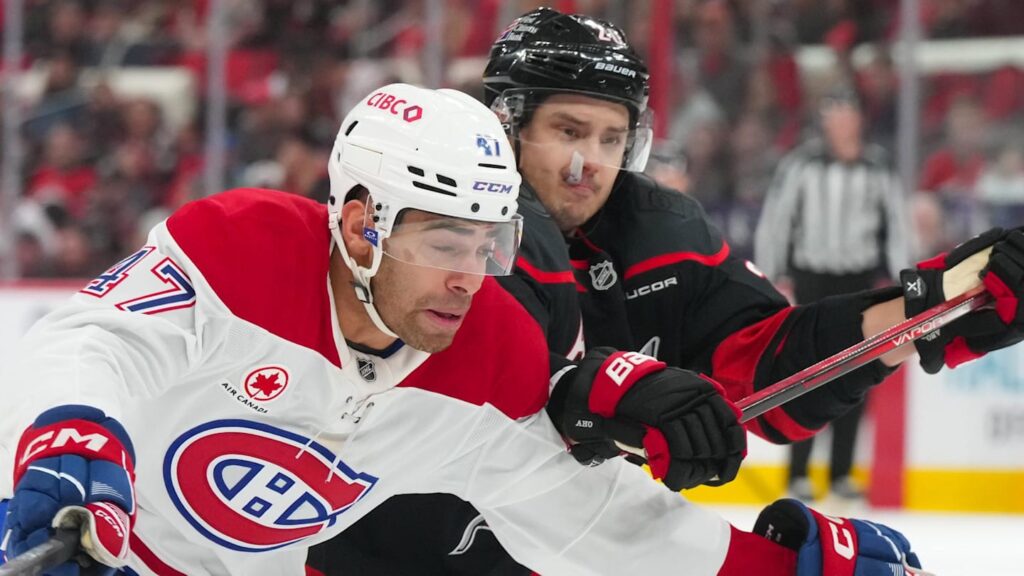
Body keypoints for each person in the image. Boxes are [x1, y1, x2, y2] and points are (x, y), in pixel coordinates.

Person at [0, 83, 924, 576]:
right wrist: (72, 452)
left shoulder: (489, 357)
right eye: (444, 238)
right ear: (362, 223)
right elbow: (89, 342)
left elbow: (597, 525)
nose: (470, 276)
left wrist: (777, 571)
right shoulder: (242, 251)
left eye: (489, 242)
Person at [310, 8, 1024, 576]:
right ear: (507, 122)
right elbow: (494, 385)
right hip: (354, 550)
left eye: (612, 138)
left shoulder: (659, 229)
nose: (589, 163)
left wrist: (932, 308)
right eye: (567, 130)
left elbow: (767, 362)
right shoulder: (446, 223)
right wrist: (611, 391)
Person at [754, 86, 912, 502]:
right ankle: (798, 472)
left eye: (845, 113)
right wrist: (770, 279)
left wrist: (906, 283)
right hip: (811, 279)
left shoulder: (878, 168)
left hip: (858, 279)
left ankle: (842, 471)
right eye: (831, 113)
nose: (838, 122)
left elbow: (895, 227)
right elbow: (777, 222)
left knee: (858, 371)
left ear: (858, 119)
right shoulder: (801, 166)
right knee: (803, 372)